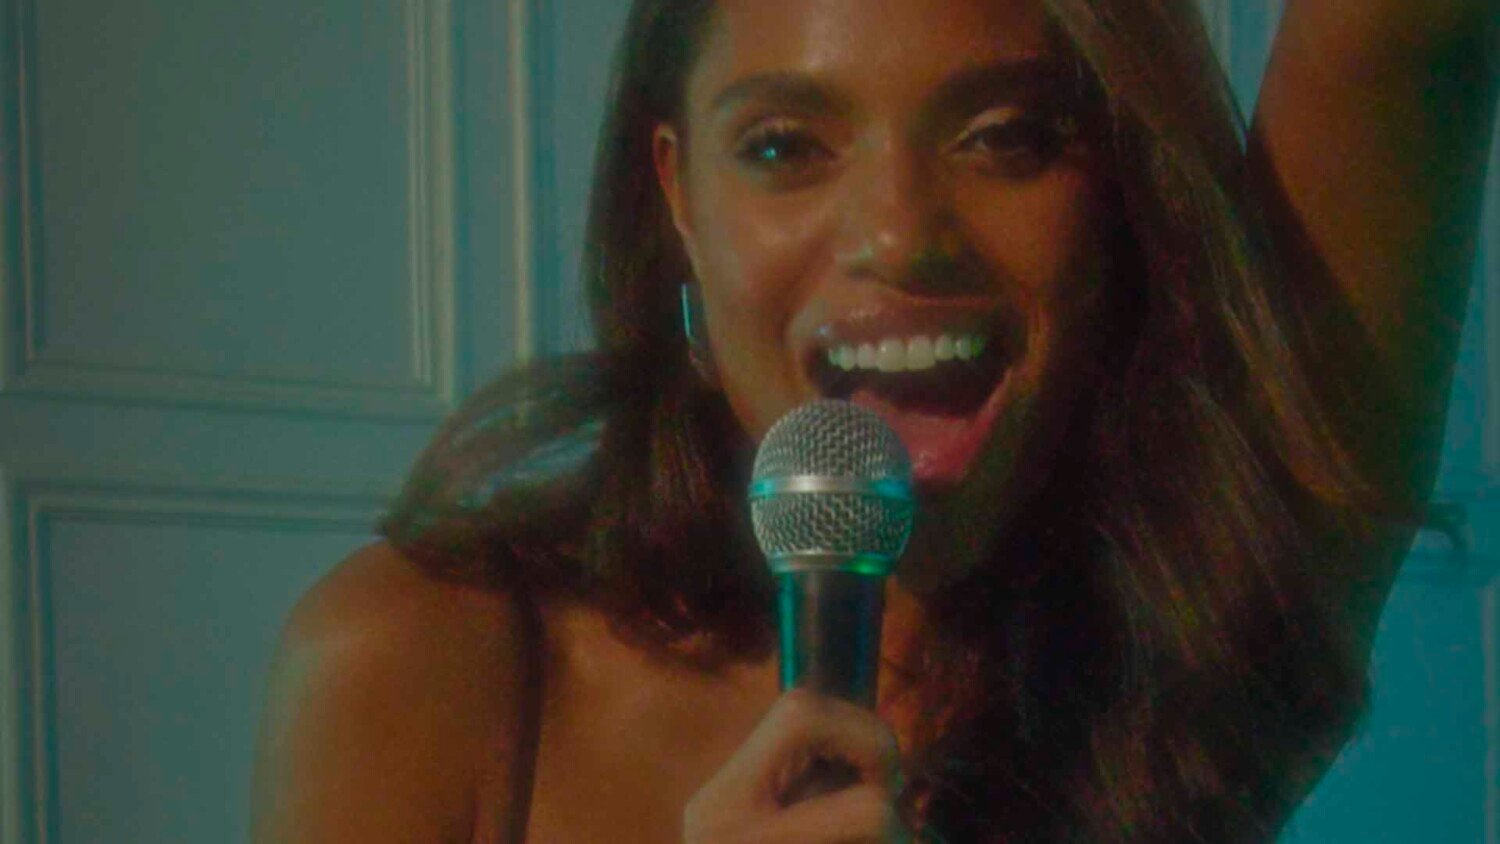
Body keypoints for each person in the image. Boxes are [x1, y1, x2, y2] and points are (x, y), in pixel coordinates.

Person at [250, 0, 1500, 840]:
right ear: (679, 193)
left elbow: (1400, 39)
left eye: (1011, 137)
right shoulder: (425, 670)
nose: (901, 233)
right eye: (787, 146)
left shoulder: (1202, 627)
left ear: (1120, 189)